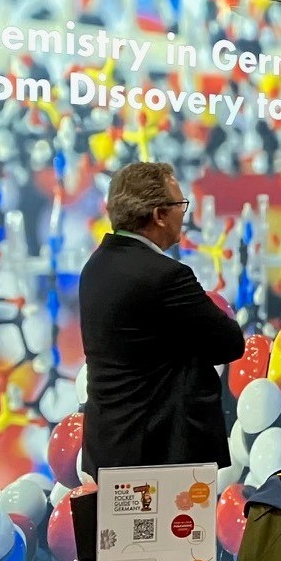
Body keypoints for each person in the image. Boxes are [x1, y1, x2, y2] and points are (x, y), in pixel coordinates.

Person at [78, 161, 246, 472]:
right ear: (158, 215)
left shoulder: (95, 267)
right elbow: (230, 343)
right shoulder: (166, 276)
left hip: (110, 450)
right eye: (180, 204)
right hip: (162, 459)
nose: (184, 214)